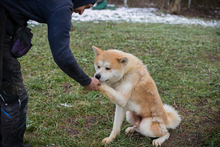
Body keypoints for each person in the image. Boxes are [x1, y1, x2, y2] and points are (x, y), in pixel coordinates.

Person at [0, 0, 100, 146]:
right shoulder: (62, 6)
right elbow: (62, 56)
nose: (82, 11)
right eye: (87, 6)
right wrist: (86, 81)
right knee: (15, 98)